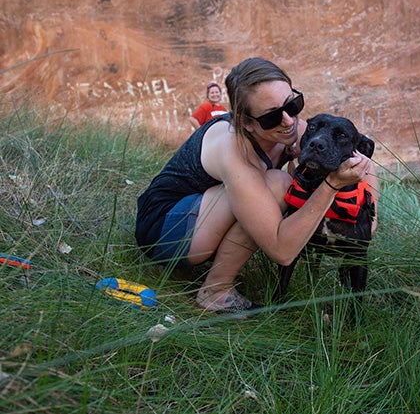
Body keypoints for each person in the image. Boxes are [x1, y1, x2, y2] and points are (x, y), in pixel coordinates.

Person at [135, 57, 376, 313]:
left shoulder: (295, 127)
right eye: (271, 117)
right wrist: (331, 185)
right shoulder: (232, 148)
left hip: (203, 213)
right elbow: (283, 252)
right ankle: (216, 291)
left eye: (293, 104)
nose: (287, 121)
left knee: (280, 185)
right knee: (279, 184)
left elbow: (364, 161)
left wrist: (367, 219)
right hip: (164, 228)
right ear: (246, 122)